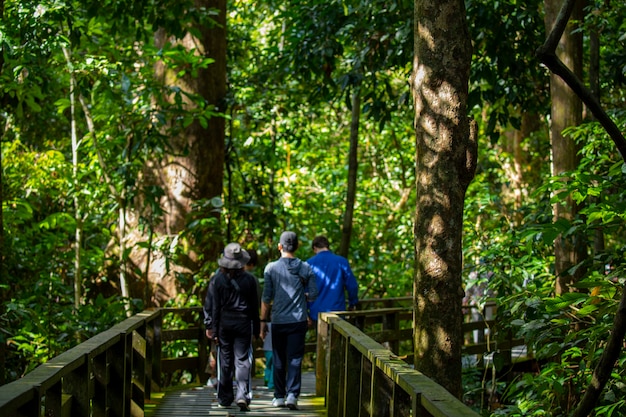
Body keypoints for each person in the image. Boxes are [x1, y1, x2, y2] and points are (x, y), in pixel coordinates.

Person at [260, 231, 318, 410]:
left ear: (280, 247)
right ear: (297, 247)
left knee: (278, 358)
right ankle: (292, 395)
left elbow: (266, 297)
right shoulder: (306, 267)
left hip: (278, 320)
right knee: (295, 358)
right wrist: (303, 296)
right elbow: (314, 294)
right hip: (298, 319)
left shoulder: (270, 268)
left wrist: (263, 321)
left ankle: (279, 396)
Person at [207, 243, 260, 411]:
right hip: (243, 323)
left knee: (225, 360)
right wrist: (257, 328)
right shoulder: (250, 280)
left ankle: (225, 397)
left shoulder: (217, 280)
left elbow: (214, 307)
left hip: (224, 324)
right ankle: (242, 395)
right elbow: (254, 306)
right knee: (243, 360)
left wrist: (213, 328)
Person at [306, 235, 359, 323]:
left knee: (320, 336)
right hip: (337, 312)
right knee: (337, 335)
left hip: (316, 313)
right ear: (327, 247)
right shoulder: (341, 262)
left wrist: (306, 312)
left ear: (314, 248)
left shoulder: (309, 264)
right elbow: (352, 286)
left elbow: (303, 290)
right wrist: (352, 303)